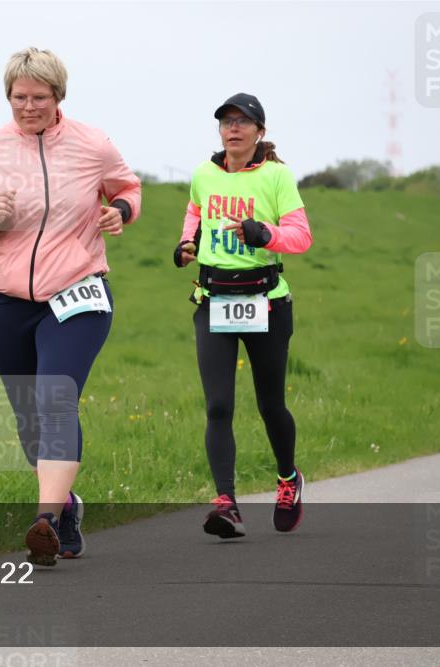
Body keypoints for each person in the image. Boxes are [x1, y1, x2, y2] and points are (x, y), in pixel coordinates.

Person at [0, 47, 141, 566]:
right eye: (19, 98)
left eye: (40, 98)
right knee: (29, 416)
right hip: (3, 303)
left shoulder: (91, 144)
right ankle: (67, 505)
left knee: (56, 400)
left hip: (76, 295)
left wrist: (119, 211)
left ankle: (44, 520)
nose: (29, 107)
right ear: (8, 96)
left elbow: (128, 187)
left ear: (59, 97)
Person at [174, 93, 313, 539]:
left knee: (270, 404)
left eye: (243, 121)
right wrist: (184, 247)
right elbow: (195, 217)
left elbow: (301, 237)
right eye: (226, 121)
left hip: (266, 300)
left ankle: (288, 480)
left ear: (260, 131)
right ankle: (226, 502)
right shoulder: (204, 173)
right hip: (213, 298)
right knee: (218, 405)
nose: (233, 128)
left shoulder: (277, 177)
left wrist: (261, 233)